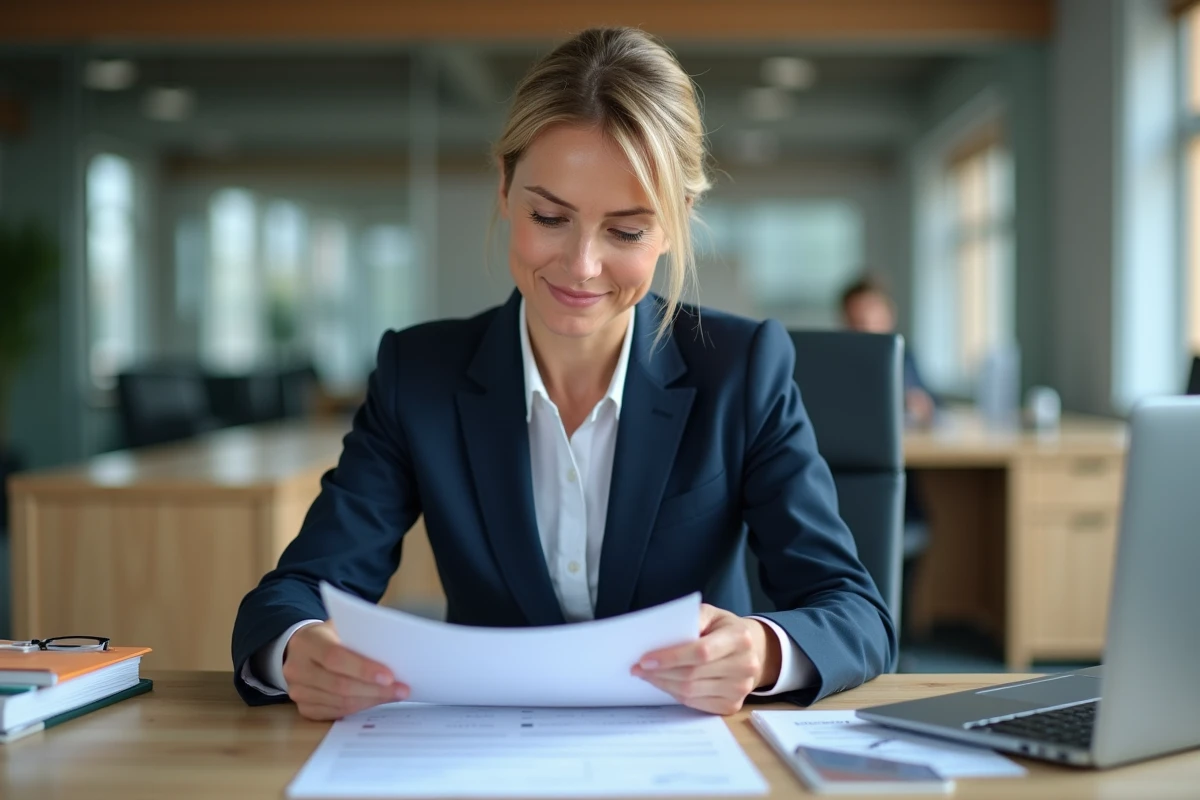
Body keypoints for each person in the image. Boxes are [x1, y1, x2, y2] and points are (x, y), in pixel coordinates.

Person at [232, 27, 896, 721]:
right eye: (550, 216)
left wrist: (761, 648)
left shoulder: (743, 370)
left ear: (676, 221)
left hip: (682, 758)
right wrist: (298, 648)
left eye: (627, 231)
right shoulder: (418, 376)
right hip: (482, 753)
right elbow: (292, 594)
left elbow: (856, 613)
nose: (581, 265)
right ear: (504, 189)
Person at [840, 276, 936, 428]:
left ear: (889, 316)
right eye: (857, 322)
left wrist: (922, 406)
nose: (865, 330)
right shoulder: (837, 363)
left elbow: (932, 405)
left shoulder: (905, 357)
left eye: (871, 321)